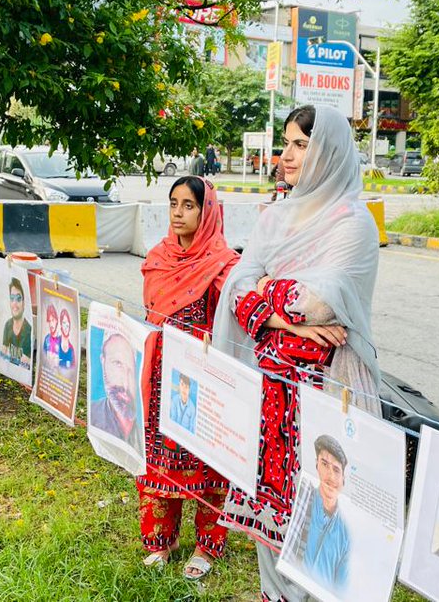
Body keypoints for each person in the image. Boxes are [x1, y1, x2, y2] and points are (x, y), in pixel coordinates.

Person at [212, 104, 383, 601]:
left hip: (326, 390)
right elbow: (237, 287)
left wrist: (263, 287)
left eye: (300, 145)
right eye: (285, 142)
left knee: (320, 507)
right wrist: (283, 314)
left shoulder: (353, 224)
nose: (285, 155)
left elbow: (322, 301)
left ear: (327, 151)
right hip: (270, 386)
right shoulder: (277, 217)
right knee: (271, 499)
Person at [137, 176, 240, 580]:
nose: (178, 213)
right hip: (162, 372)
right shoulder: (158, 257)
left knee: (208, 461)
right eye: (173, 204)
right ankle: (162, 540)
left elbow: (234, 327)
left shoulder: (224, 264)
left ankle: (208, 545)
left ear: (207, 211)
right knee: (159, 458)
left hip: (205, 375)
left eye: (189, 205)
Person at [303, 435, 350, 591]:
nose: (330, 476)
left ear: (343, 479)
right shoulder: (302, 502)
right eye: (324, 464)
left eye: (336, 470)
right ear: (316, 465)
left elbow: (341, 590)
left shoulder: (346, 534)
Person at [89, 331, 144, 452]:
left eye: (131, 369)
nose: (125, 383)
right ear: (103, 361)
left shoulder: (143, 434)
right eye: (117, 364)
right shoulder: (93, 415)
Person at [1, 278, 32, 364]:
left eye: (18, 299)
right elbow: (3, 352)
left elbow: (25, 363)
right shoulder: (7, 325)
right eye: (12, 298)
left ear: (24, 303)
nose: (14, 303)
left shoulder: (28, 330)